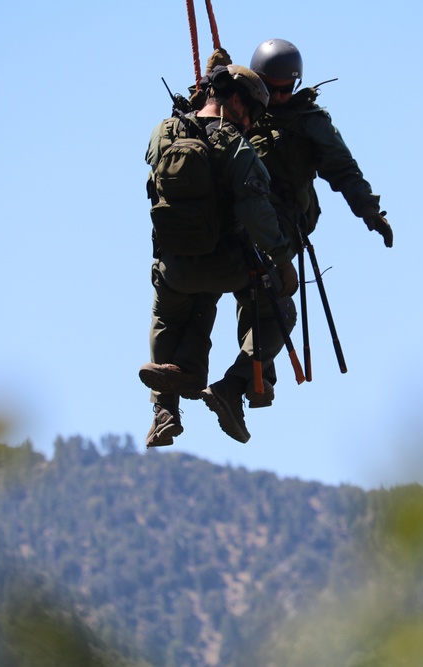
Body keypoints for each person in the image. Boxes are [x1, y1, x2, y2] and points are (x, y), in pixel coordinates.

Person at [140, 64, 298, 447]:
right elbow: (255, 211)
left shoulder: (164, 132)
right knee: (280, 310)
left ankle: (166, 408)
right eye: (253, 112)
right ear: (238, 101)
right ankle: (233, 385)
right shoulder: (235, 144)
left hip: (175, 264)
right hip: (228, 265)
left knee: (168, 314)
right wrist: (282, 259)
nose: (252, 121)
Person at [247, 38, 393, 252]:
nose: (277, 96)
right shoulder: (237, 110)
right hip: (241, 212)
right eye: (270, 88)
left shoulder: (308, 121)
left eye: (286, 89)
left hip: (285, 219)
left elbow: (342, 167)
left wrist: (368, 209)